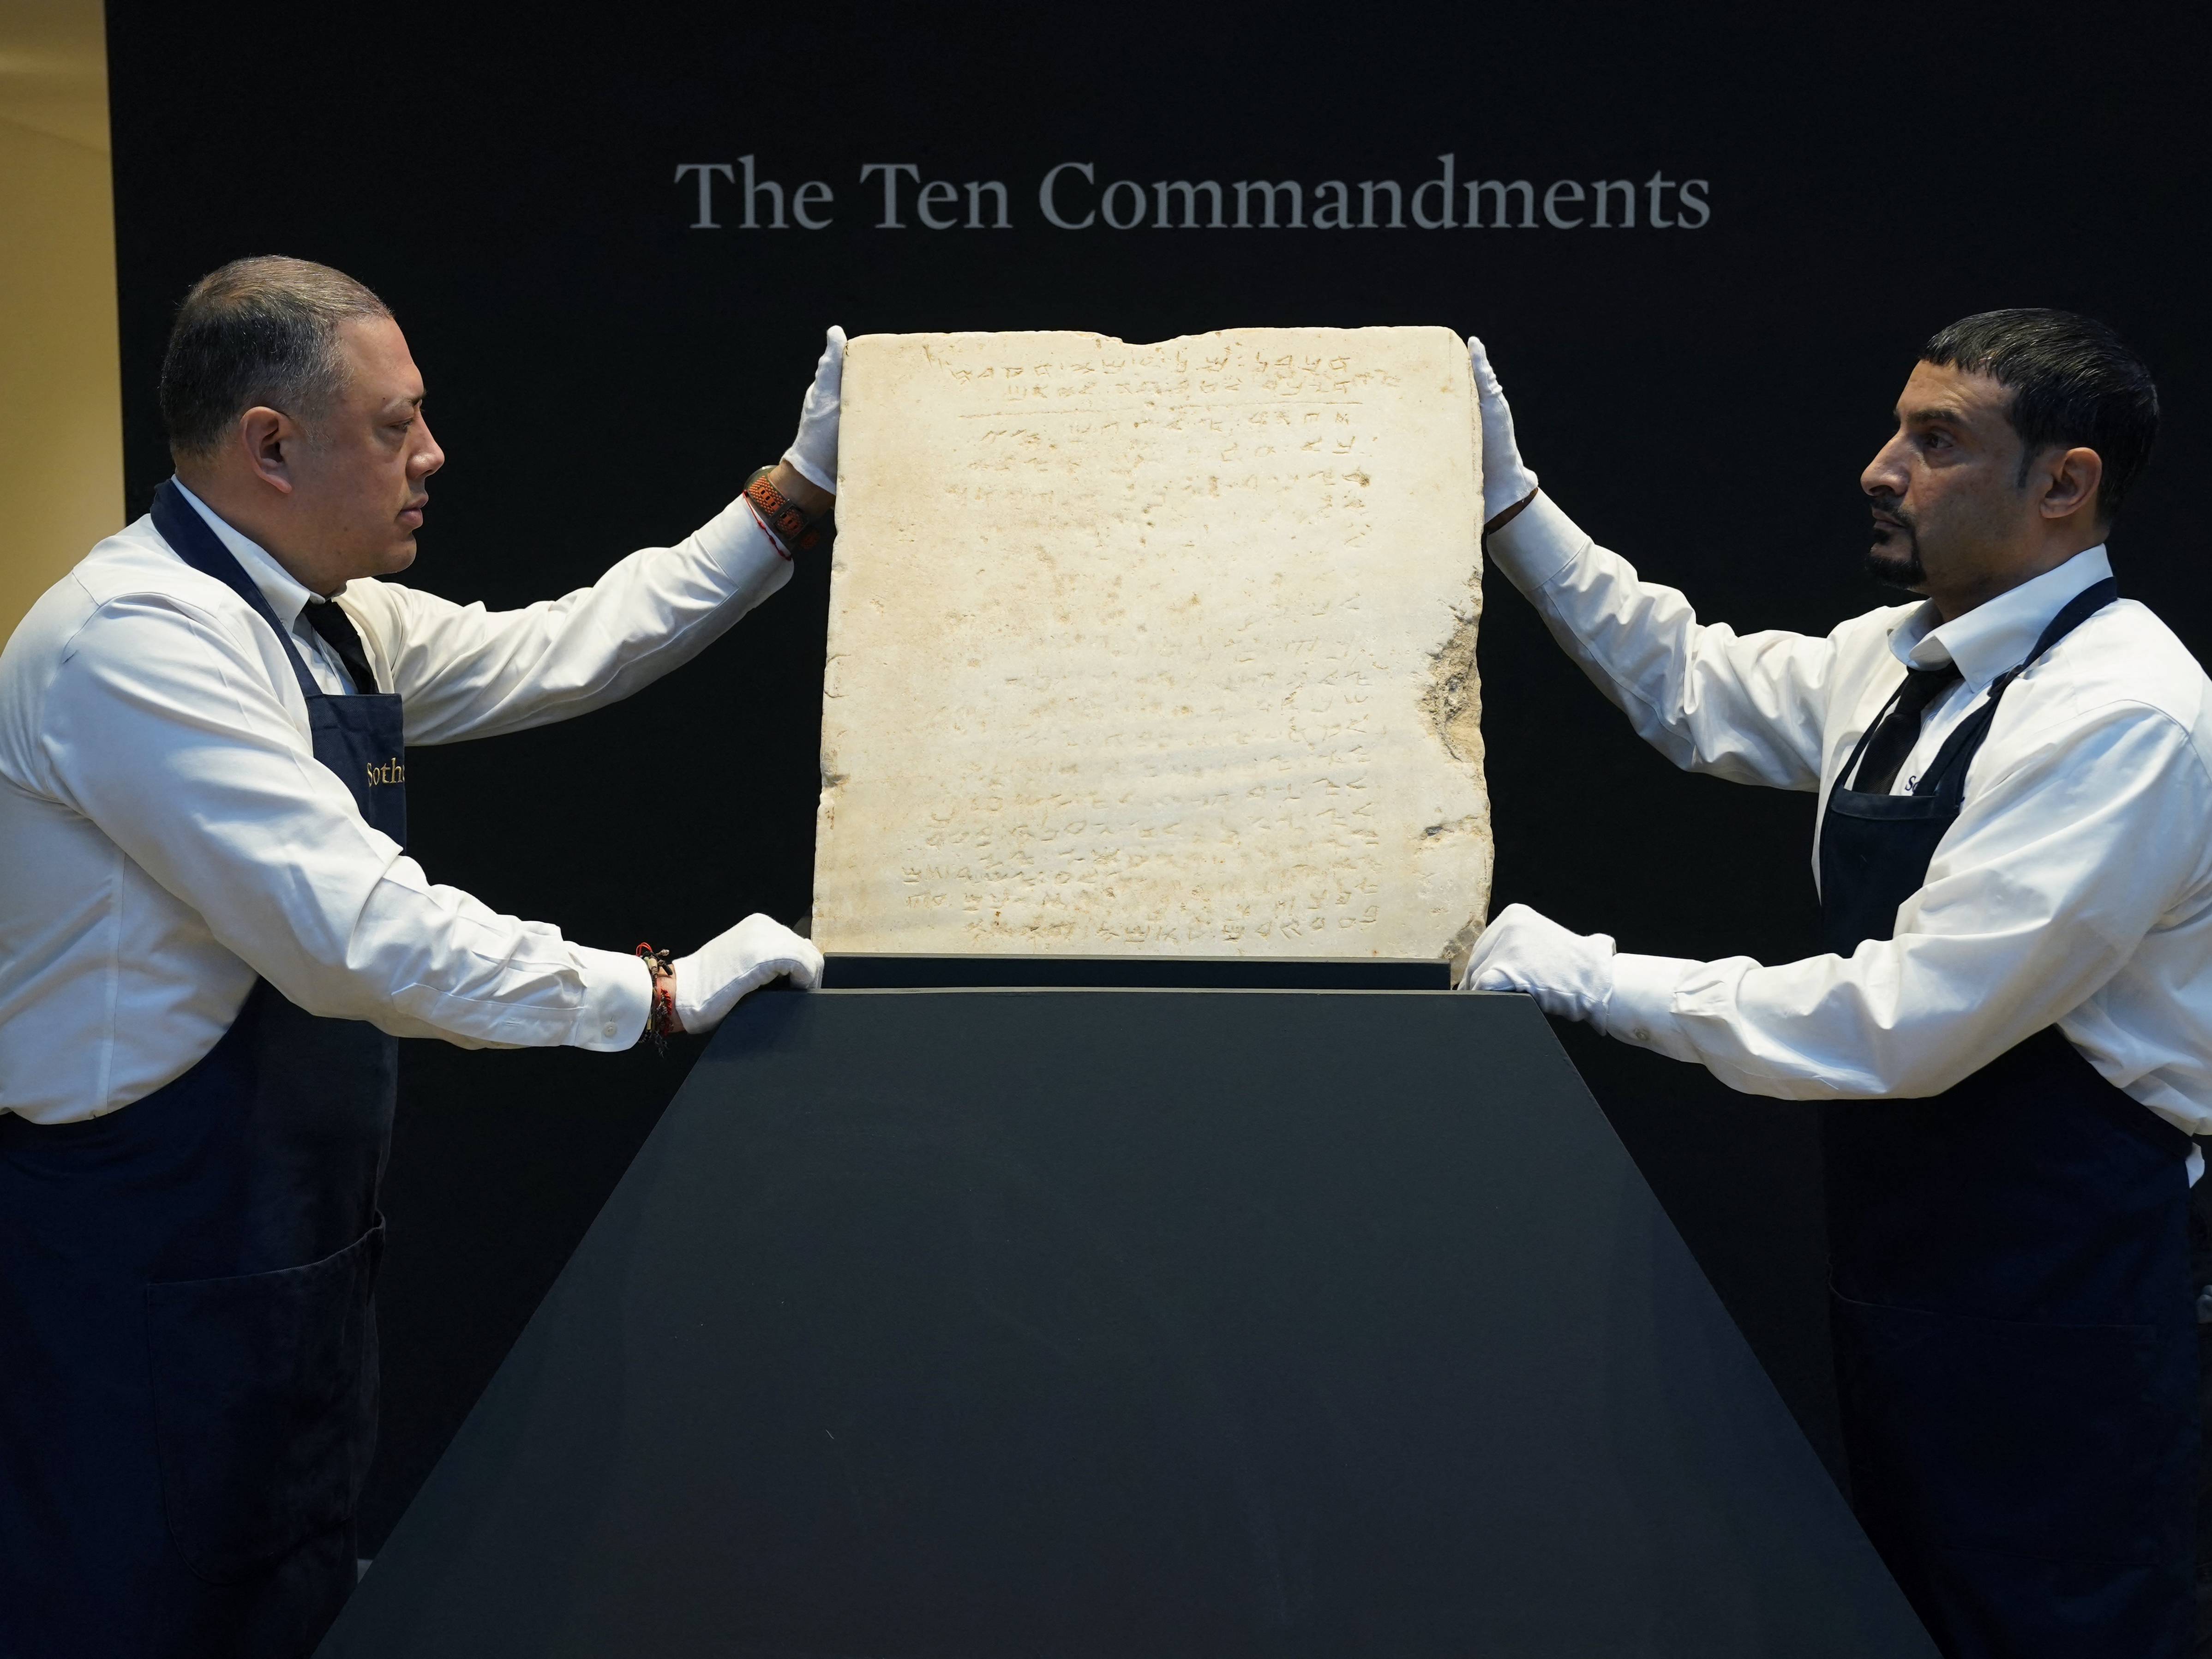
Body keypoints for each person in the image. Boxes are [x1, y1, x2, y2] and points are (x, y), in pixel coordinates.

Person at [0, 256, 839, 1656]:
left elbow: (569, 647)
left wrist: (792, 497)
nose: (433, 453)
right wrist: (648, 994)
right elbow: (359, 938)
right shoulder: (132, 644)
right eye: (396, 424)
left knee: (295, 1608)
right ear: (272, 445)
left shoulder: (330, 618)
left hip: (281, 1261)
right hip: (137, 1269)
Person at [1459, 310, 2203, 1659]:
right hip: (1913, 1255)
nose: (1880, 468)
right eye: (1897, 428)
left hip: (2070, 1289)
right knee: (1915, 1615)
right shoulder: (1901, 659)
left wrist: (1593, 979)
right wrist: (1512, 507)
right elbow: (1690, 685)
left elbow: (1904, 1024)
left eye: (1937, 442)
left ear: (2064, 482)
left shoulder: (2122, 716)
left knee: (2055, 1629)